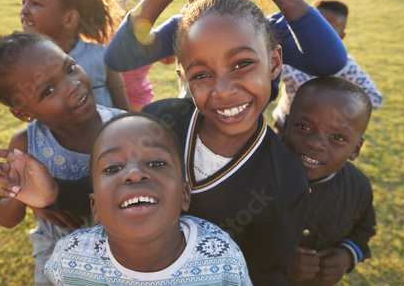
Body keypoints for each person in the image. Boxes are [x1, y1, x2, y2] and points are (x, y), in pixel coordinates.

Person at [0, 0, 309, 285]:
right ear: (184, 76)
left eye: (242, 64)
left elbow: (267, 270)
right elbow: (110, 187)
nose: (223, 90)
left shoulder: (285, 180)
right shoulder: (159, 121)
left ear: (274, 63)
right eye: (201, 74)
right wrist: (54, 193)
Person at [0, 32, 123, 285]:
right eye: (47, 90)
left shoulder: (123, 127)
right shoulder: (26, 145)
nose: (72, 85)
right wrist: (19, 194)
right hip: (57, 258)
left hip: (123, 250)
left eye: (69, 67)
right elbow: (6, 219)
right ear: (23, 113)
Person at [42, 112, 253, 285]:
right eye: (113, 167)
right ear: (95, 206)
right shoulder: (69, 259)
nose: (134, 173)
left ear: (184, 195)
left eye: (156, 163)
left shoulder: (222, 258)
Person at [104, 0, 347, 101]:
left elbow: (330, 61)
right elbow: (119, 59)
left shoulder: (270, 31)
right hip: (189, 141)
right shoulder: (183, 29)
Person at [282, 77, 376, 285]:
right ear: (286, 124)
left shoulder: (358, 187)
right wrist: (278, 261)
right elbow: (229, 233)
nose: (315, 144)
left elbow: (364, 230)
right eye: (304, 127)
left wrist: (347, 255)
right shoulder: (257, 174)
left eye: (338, 137)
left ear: (356, 149)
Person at [20, 0, 129, 109]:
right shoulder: (26, 63)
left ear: (70, 19)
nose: (23, 10)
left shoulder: (102, 56)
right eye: (23, 1)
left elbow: (125, 112)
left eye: (36, 3)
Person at [272, 0, 384, 135]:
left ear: (341, 37)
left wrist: (336, 112)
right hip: (285, 126)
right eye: (314, 26)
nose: (318, 34)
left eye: (328, 30)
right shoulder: (288, 55)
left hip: (324, 136)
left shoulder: (347, 67)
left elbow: (375, 98)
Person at [114, 0, 156, 111]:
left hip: (114, 96)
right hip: (140, 97)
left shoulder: (106, 36)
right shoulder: (147, 35)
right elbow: (168, 60)